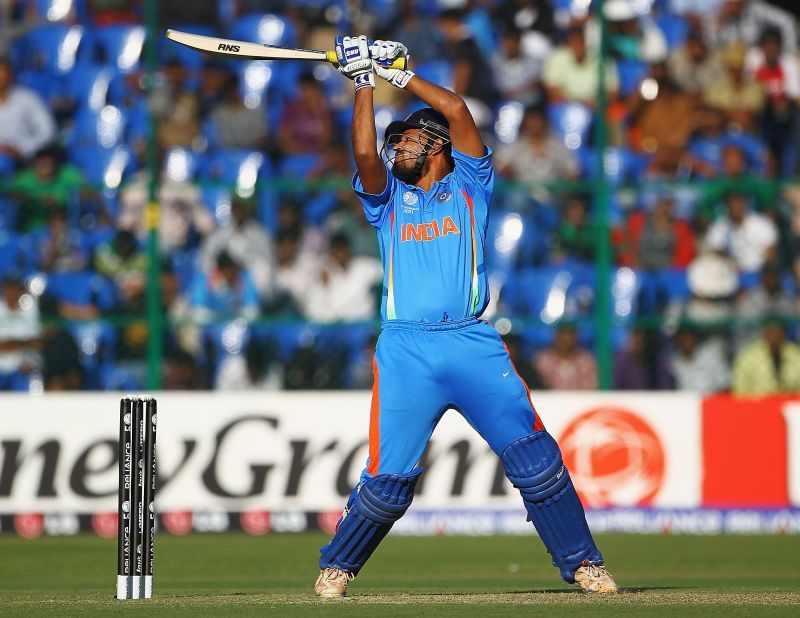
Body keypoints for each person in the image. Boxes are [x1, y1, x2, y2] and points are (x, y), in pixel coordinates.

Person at [314, 35, 618, 598]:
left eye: (405, 139)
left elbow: (455, 109)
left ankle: (583, 564)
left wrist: (395, 74)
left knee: (536, 462)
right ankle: (338, 567)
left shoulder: (471, 185)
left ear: (435, 145)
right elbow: (361, 156)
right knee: (387, 483)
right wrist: (362, 83)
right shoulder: (386, 204)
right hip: (406, 350)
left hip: (472, 342)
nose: (394, 149)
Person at [732, 317, 800, 395]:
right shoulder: (748, 357)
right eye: (770, 330)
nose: (774, 334)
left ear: (784, 332)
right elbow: (739, 390)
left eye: (778, 330)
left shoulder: (796, 354)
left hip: (790, 403)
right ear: (764, 332)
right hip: (757, 404)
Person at [533, 322, 598, 390]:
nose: (565, 339)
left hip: (581, 400)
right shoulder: (543, 361)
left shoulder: (586, 361)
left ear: (576, 336)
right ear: (556, 335)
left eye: (570, 334)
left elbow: (591, 390)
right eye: (562, 334)